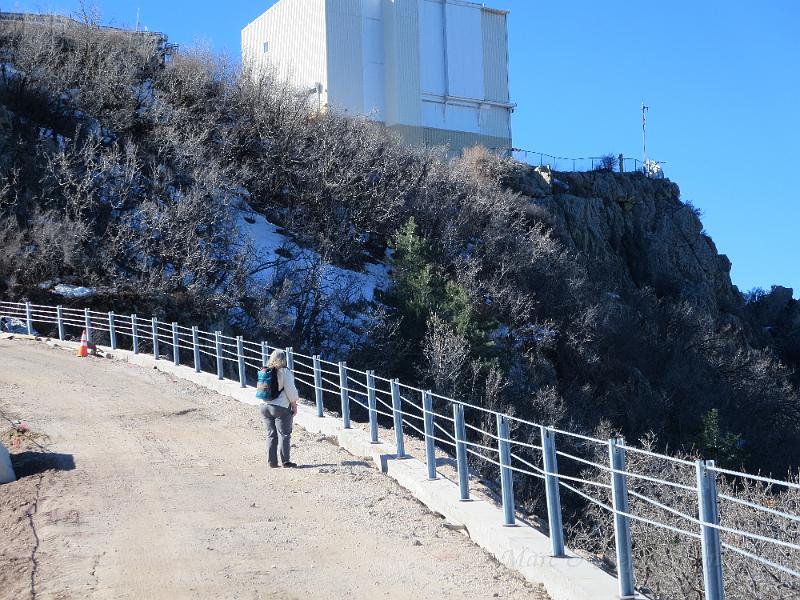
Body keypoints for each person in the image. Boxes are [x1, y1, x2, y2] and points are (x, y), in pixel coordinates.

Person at [258, 349, 300, 468]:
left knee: (270, 434)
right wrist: (294, 405)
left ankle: (272, 462)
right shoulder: (284, 371)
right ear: (284, 358)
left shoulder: (264, 370)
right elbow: (290, 389)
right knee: (284, 434)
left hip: (263, 406)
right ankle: (285, 461)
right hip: (280, 407)